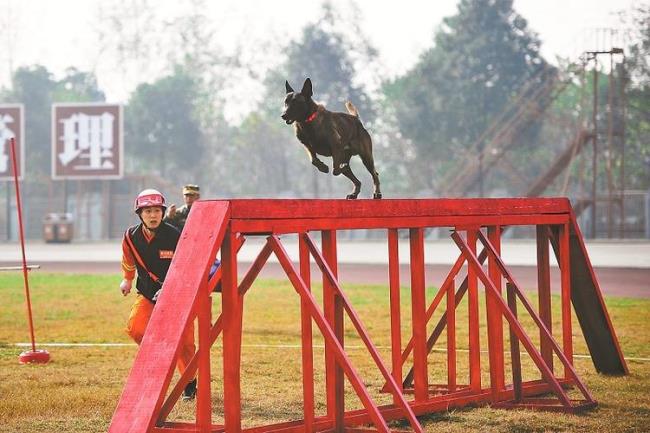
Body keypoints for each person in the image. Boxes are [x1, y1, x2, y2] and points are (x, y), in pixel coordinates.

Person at [119, 188, 197, 400]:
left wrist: (172, 288)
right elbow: (128, 258)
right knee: (136, 328)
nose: (153, 215)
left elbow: (187, 265)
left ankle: (189, 383)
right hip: (147, 293)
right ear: (139, 214)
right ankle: (162, 357)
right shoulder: (130, 236)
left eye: (156, 210)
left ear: (163, 212)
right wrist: (127, 278)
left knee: (186, 343)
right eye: (147, 211)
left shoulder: (175, 236)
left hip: (177, 296)